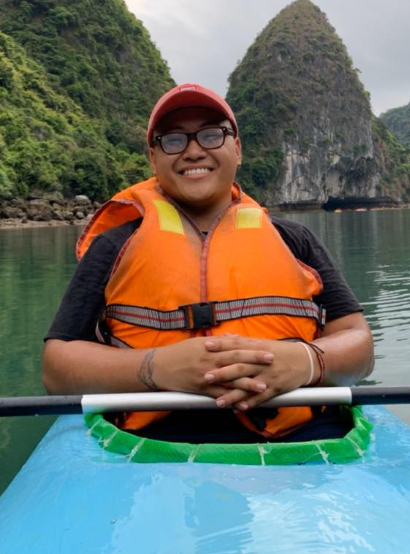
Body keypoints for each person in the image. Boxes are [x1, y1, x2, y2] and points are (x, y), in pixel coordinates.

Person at [43, 83, 374, 443]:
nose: (194, 151)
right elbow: (57, 367)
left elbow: (358, 342)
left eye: (212, 135)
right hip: (151, 445)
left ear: (237, 149)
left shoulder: (295, 240)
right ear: (154, 158)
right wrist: (154, 368)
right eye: (173, 139)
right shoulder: (115, 245)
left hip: (301, 437)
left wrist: (305, 361)